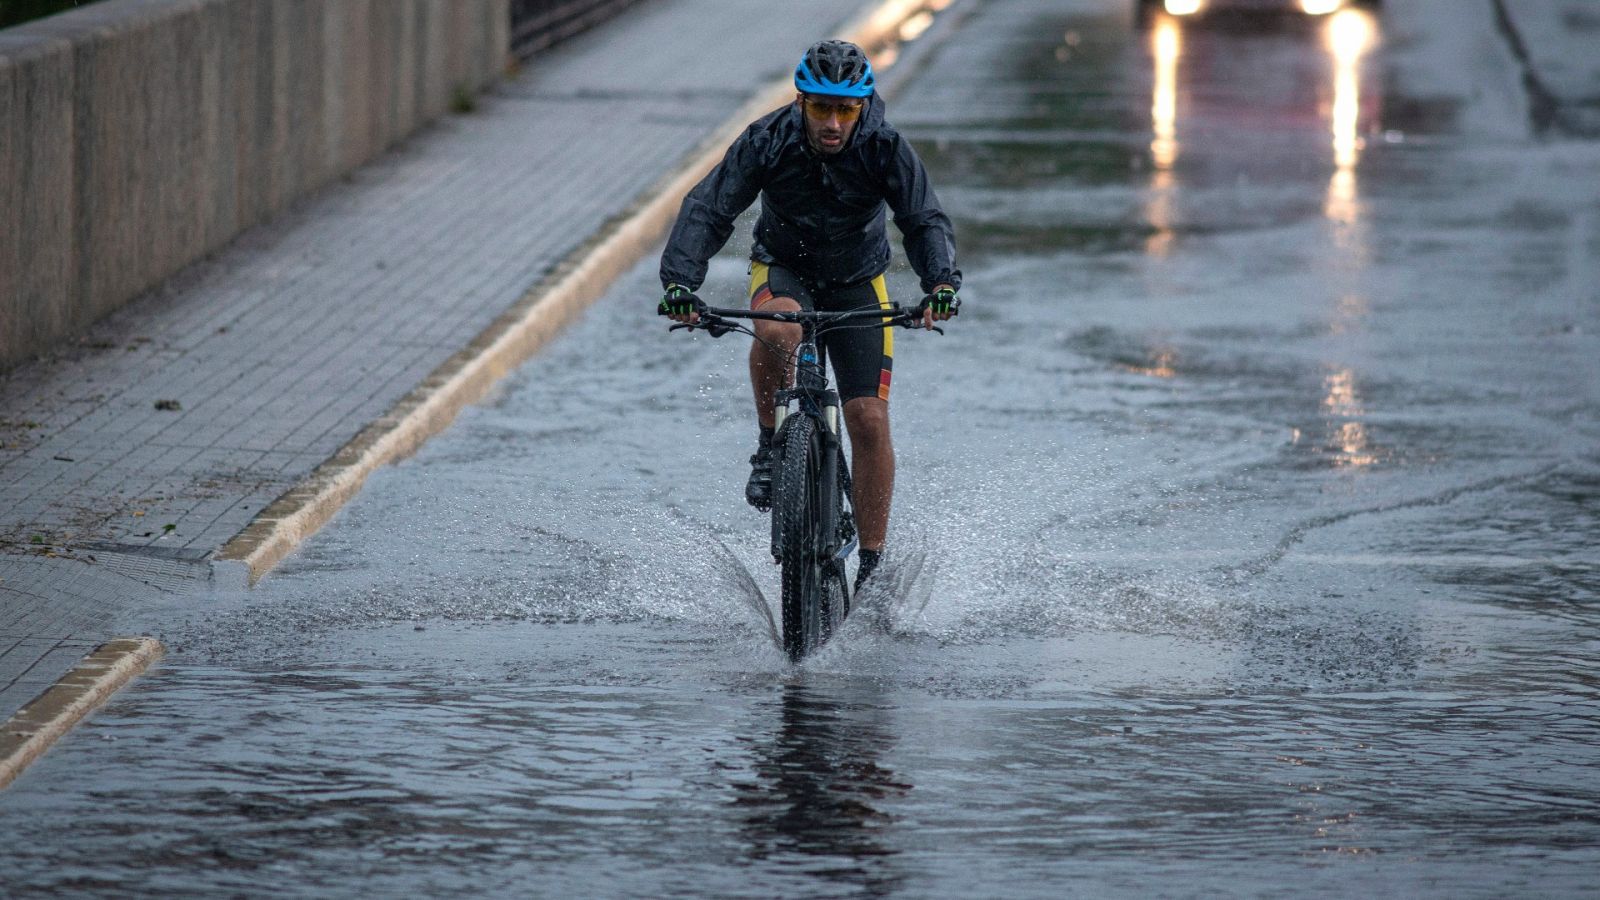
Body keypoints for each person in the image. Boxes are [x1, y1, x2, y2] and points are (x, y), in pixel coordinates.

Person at [657, 39, 961, 590]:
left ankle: (871, 563)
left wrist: (940, 282)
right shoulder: (767, 139)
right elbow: (709, 208)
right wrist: (680, 281)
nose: (834, 121)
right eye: (822, 106)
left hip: (856, 281)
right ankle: (770, 446)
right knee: (782, 324)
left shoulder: (884, 147)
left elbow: (923, 219)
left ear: (863, 106)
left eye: (846, 109)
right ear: (801, 101)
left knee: (867, 417)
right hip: (784, 269)